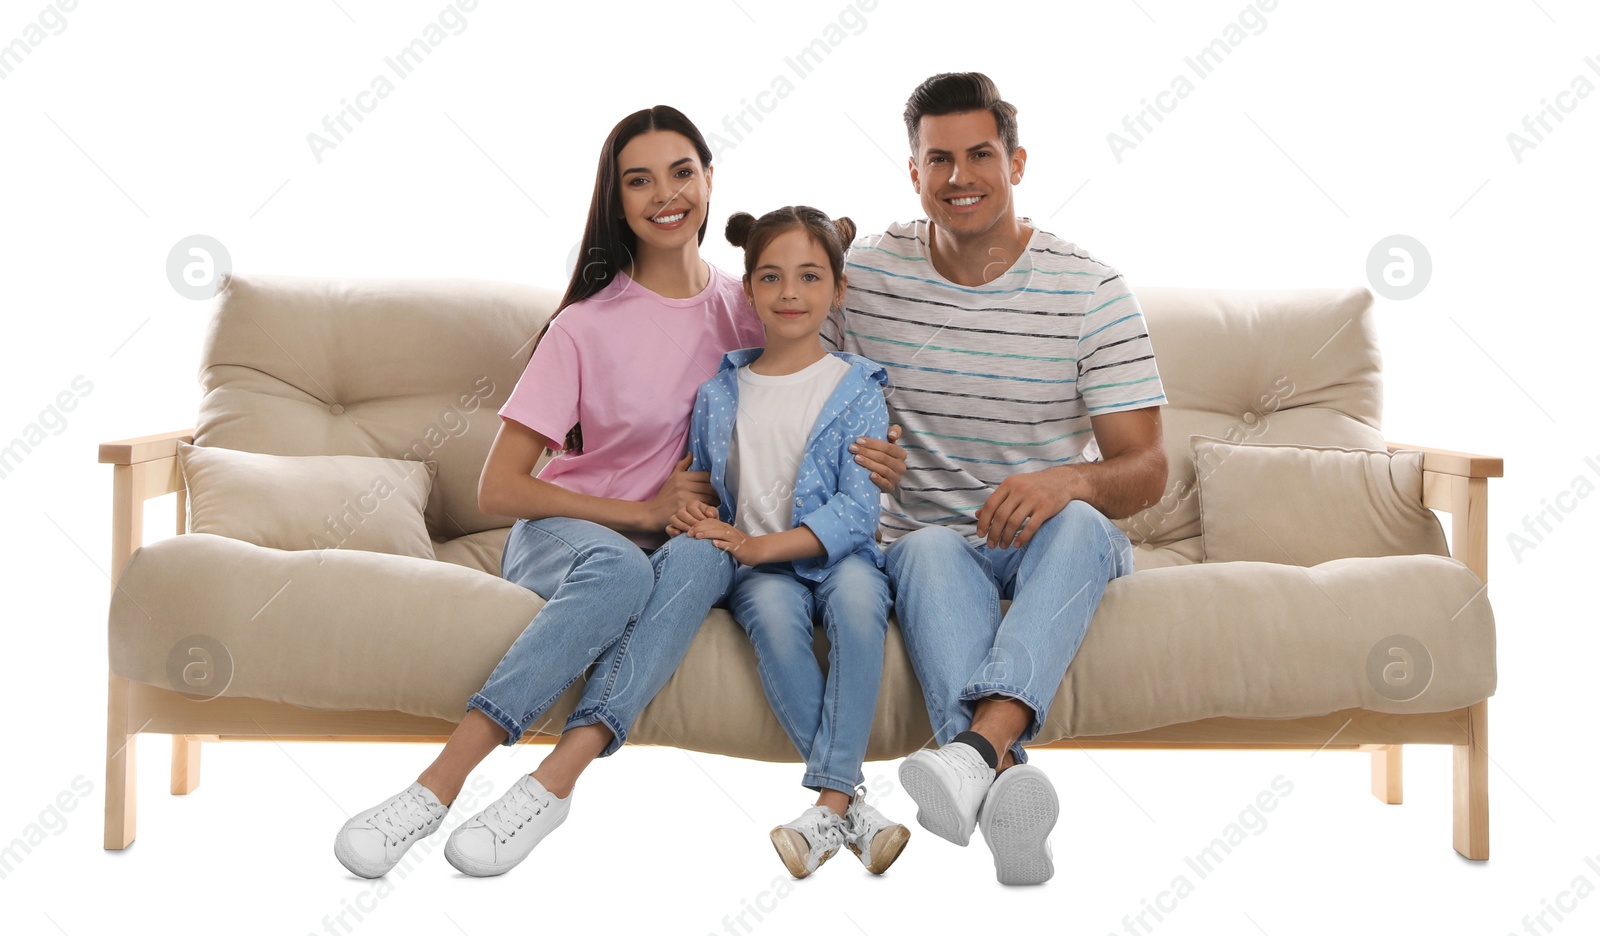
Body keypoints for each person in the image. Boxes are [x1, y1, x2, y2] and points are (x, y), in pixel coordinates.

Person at [333, 106, 905, 880]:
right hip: (569, 533)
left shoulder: (752, 300)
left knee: (705, 564)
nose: (665, 195)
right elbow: (500, 486)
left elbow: (816, 395)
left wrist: (882, 460)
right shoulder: (584, 326)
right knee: (624, 568)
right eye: (640, 180)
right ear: (617, 199)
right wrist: (638, 512)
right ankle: (437, 786)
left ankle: (551, 784)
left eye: (682, 173)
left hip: (681, 543)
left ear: (709, 182)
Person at [821, 72, 1169, 886]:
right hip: (927, 540)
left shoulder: (1090, 288)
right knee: (930, 549)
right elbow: (787, 364)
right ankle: (1006, 784)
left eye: (980, 155)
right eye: (938, 160)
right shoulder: (863, 276)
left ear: (1017, 161)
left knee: (1081, 522)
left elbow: (1147, 469)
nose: (959, 177)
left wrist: (1067, 483)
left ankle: (977, 748)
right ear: (913, 174)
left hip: (1056, 542)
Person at [671, 206, 909, 879]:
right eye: (771, 278)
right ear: (747, 291)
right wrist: (693, 516)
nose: (790, 294)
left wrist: (754, 547)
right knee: (774, 622)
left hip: (838, 557)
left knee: (862, 605)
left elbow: (858, 510)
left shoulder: (858, 387)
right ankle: (855, 811)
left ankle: (829, 801)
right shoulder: (719, 392)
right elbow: (704, 486)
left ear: (838, 290)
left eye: (809, 277)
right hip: (761, 575)